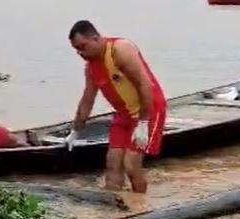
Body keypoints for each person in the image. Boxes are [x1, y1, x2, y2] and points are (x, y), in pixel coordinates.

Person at [64, 20, 167, 193]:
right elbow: (87, 99)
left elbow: (145, 84)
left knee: (131, 164)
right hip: (123, 114)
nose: (81, 53)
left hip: (148, 109)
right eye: (77, 50)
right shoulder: (90, 68)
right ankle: (115, 204)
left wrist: (143, 123)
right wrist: (75, 130)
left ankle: (141, 205)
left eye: (83, 47)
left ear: (95, 38)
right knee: (113, 163)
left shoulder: (120, 49)